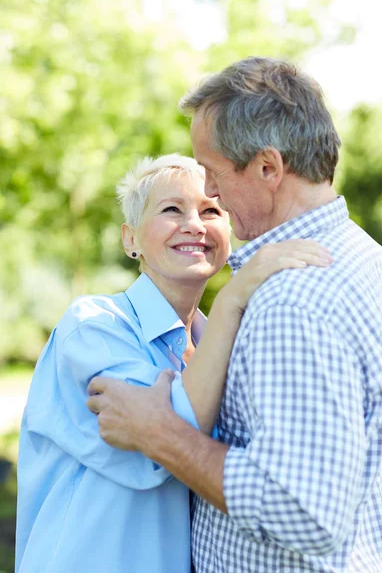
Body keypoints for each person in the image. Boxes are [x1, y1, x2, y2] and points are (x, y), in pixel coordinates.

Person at [87, 58, 382, 573]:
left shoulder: (292, 298)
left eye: (212, 172)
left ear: (268, 168)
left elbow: (305, 512)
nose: (208, 191)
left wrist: (159, 434)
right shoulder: (363, 253)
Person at [15, 153, 330, 573]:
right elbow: (166, 441)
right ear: (131, 239)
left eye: (211, 210)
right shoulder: (92, 329)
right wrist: (233, 298)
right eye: (171, 209)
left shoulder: (217, 345)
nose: (195, 225)